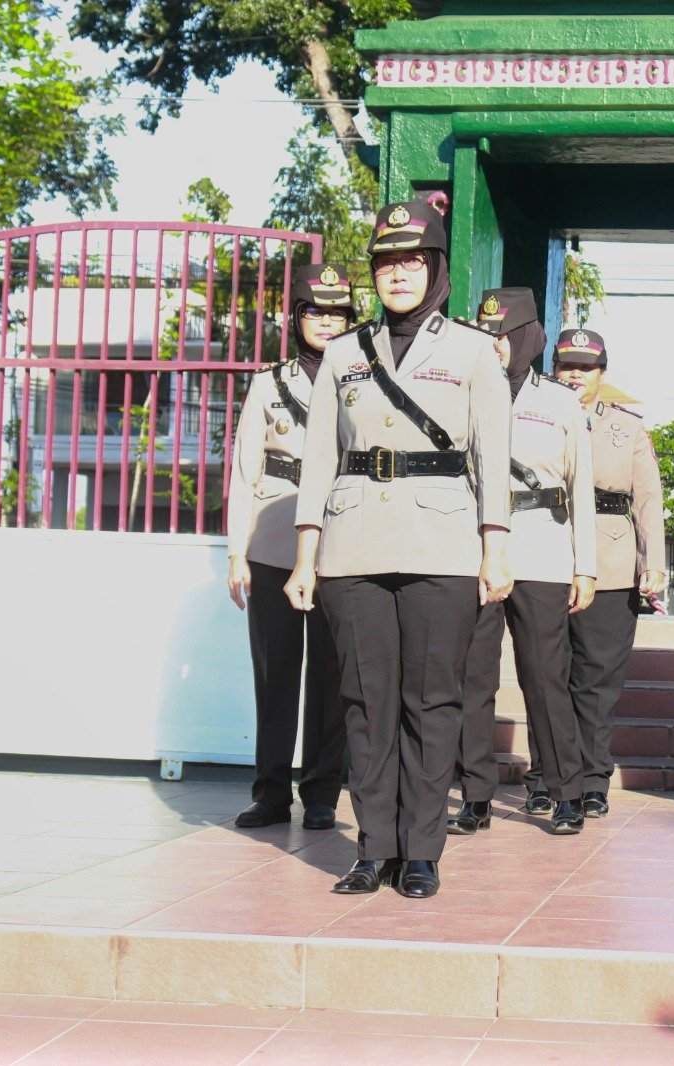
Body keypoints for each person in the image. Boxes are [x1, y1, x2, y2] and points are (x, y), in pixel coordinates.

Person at [285, 200, 513, 900]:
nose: (399, 275)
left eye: (413, 261)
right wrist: (305, 555)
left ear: (436, 268)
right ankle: (373, 847)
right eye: (386, 263)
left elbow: (492, 457)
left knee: (432, 702)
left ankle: (421, 850)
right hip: (353, 546)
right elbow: (318, 459)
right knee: (365, 702)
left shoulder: (474, 351)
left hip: (442, 545)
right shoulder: (344, 354)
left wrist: (495, 548)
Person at [450, 288, 597, 837]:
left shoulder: (560, 402)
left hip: (543, 550)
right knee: (473, 679)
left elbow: (581, 488)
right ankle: (475, 796)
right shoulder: (461, 392)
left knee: (545, 679)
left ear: (528, 337)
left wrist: (586, 566)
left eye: (504, 335)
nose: (494, 345)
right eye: (486, 334)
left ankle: (566, 794)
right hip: (477, 552)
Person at [226, 263, 352, 831]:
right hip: (274, 539)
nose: (326, 322)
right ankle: (271, 792)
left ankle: (322, 793)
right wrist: (237, 552)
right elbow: (245, 470)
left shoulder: (361, 379)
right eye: (315, 312)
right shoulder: (268, 384)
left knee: (330, 675)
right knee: (275, 671)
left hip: (338, 540)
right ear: (296, 317)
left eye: (337, 313)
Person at [521, 329, 664, 819]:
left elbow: (647, 498)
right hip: (547, 549)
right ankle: (544, 777)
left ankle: (592, 779)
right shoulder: (530, 414)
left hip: (610, 559)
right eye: (567, 366)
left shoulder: (628, 427)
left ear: (602, 373)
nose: (575, 375)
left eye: (586, 367)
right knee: (546, 673)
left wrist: (653, 562)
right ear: (552, 369)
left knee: (597, 681)